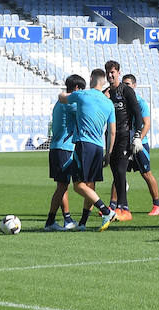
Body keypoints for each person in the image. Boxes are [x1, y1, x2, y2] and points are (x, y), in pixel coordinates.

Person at [59, 68, 118, 231]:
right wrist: (109, 153)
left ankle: (107, 211)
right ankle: (83, 223)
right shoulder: (109, 104)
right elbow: (112, 131)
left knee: (78, 185)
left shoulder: (83, 94)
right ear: (103, 82)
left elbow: (63, 98)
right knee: (90, 185)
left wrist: (62, 93)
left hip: (84, 144)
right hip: (99, 147)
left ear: (92, 79)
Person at [103, 60, 142, 221]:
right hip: (110, 137)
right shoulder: (105, 94)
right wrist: (103, 99)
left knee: (120, 171)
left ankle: (124, 209)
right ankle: (119, 207)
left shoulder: (126, 91)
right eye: (108, 72)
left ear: (118, 72)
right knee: (115, 172)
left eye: (113, 72)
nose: (110, 75)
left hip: (124, 136)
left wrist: (137, 135)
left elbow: (137, 113)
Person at [122, 74, 159, 216]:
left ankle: (157, 205)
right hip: (125, 143)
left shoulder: (141, 103)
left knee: (146, 174)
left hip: (140, 144)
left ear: (134, 85)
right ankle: (114, 206)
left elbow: (147, 124)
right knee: (119, 173)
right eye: (123, 84)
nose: (125, 87)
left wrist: (138, 139)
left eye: (128, 84)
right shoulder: (121, 103)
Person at [44, 78, 78, 231]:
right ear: (76, 88)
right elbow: (85, 112)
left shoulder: (60, 103)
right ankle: (50, 221)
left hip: (57, 147)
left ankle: (67, 218)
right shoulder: (70, 104)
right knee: (62, 186)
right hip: (64, 148)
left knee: (63, 185)